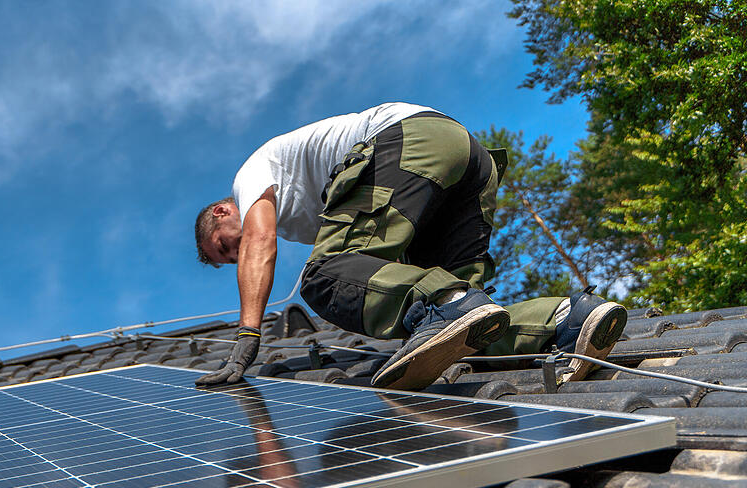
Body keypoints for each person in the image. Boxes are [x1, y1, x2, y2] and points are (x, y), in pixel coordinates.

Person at [194, 103, 626, 390]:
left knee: (326, 277)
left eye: (224, 247)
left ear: (221, 212)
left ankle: (447, 304)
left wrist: (248, 335)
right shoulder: (300, 214)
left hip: (409, 142)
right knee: (466, 330)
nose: (236, 256)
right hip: (467, 159)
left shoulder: (249, 177)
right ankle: (566, 320)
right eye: (228, 259)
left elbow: (260, 241)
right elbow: (388, 257)